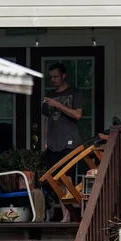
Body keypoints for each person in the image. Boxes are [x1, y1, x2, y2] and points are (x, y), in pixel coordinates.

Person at [41, 63, 85, 218]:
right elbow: (47, 120)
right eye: (51, 77)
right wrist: (46, 140)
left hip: (70, 141)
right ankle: (66, 215)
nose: (53, 79)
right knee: (57, 180)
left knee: (68, 179)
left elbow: (78, 115)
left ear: (63, 75)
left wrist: (58, 105)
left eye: (56, 76)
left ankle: (69, 215)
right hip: (53, 143)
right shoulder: (49, 95)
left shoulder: (74, 93)